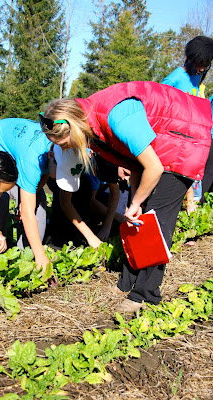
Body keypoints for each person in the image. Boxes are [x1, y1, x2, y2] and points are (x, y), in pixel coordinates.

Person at [39, 81, 212, 312]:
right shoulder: (91, 123)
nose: (67, 149)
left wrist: (139, 202)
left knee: (156, 219)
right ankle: (127, 282)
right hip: (161, 148)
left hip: (188, 140)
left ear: (73, 127)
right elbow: (134, 161)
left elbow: (154, 167)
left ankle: (145, 295)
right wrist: (134, 200)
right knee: (136, 215)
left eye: (66, 144)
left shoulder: (116, 118)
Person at [0, 118, 54, 272]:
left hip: (19, 149)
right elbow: (27, 212)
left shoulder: (62, 147)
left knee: (38, 199)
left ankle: (26, 254)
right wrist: (25, 208)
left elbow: (45, 173)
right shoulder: (32, 158)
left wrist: (26, 200)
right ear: (51, 156)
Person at [162, 35, 213, 202]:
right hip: (174, 141)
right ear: (190, 59)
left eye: (205, 68)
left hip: (191, 141)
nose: (201, 71)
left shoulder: (197, 78)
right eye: (199, 66)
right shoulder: (175, 78)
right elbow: (159, 105)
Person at [45, 146, 124, 248]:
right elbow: (66, 202)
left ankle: (81, 229)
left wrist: (107, 227)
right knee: (76, 197)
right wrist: (90, 237)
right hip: (60, 170)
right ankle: (58, 237)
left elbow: (114, 191)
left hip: (83, 175)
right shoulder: (75, 163)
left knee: (96, 197)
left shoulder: (109, 160)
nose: (125, 178)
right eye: (125, 173)